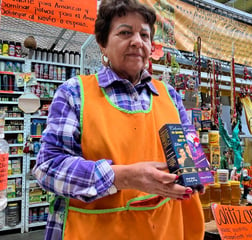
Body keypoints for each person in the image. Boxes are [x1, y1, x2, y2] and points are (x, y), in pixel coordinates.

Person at [32, 0, 204, 239]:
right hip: (95, 230)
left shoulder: (170, 96)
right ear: (103, 44)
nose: (137, 41)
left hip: (163, 229)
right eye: (125, 32)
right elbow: (47, 168)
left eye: (144, 35)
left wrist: (195, 174)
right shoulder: (74, 93)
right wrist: (122, 177)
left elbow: (189, 157)